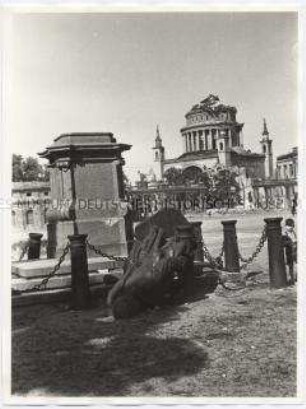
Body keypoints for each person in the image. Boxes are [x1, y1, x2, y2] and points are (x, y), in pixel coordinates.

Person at [282, 218, 297, 285]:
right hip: (289, 252)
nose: (289, 227)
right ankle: (291, 278)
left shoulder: (293, 232)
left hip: (295, 250)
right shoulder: (285, 234)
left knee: (296, 264)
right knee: (290, 265)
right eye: (288, 226)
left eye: (291, 226)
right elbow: (284, 244)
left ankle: (295, 278)